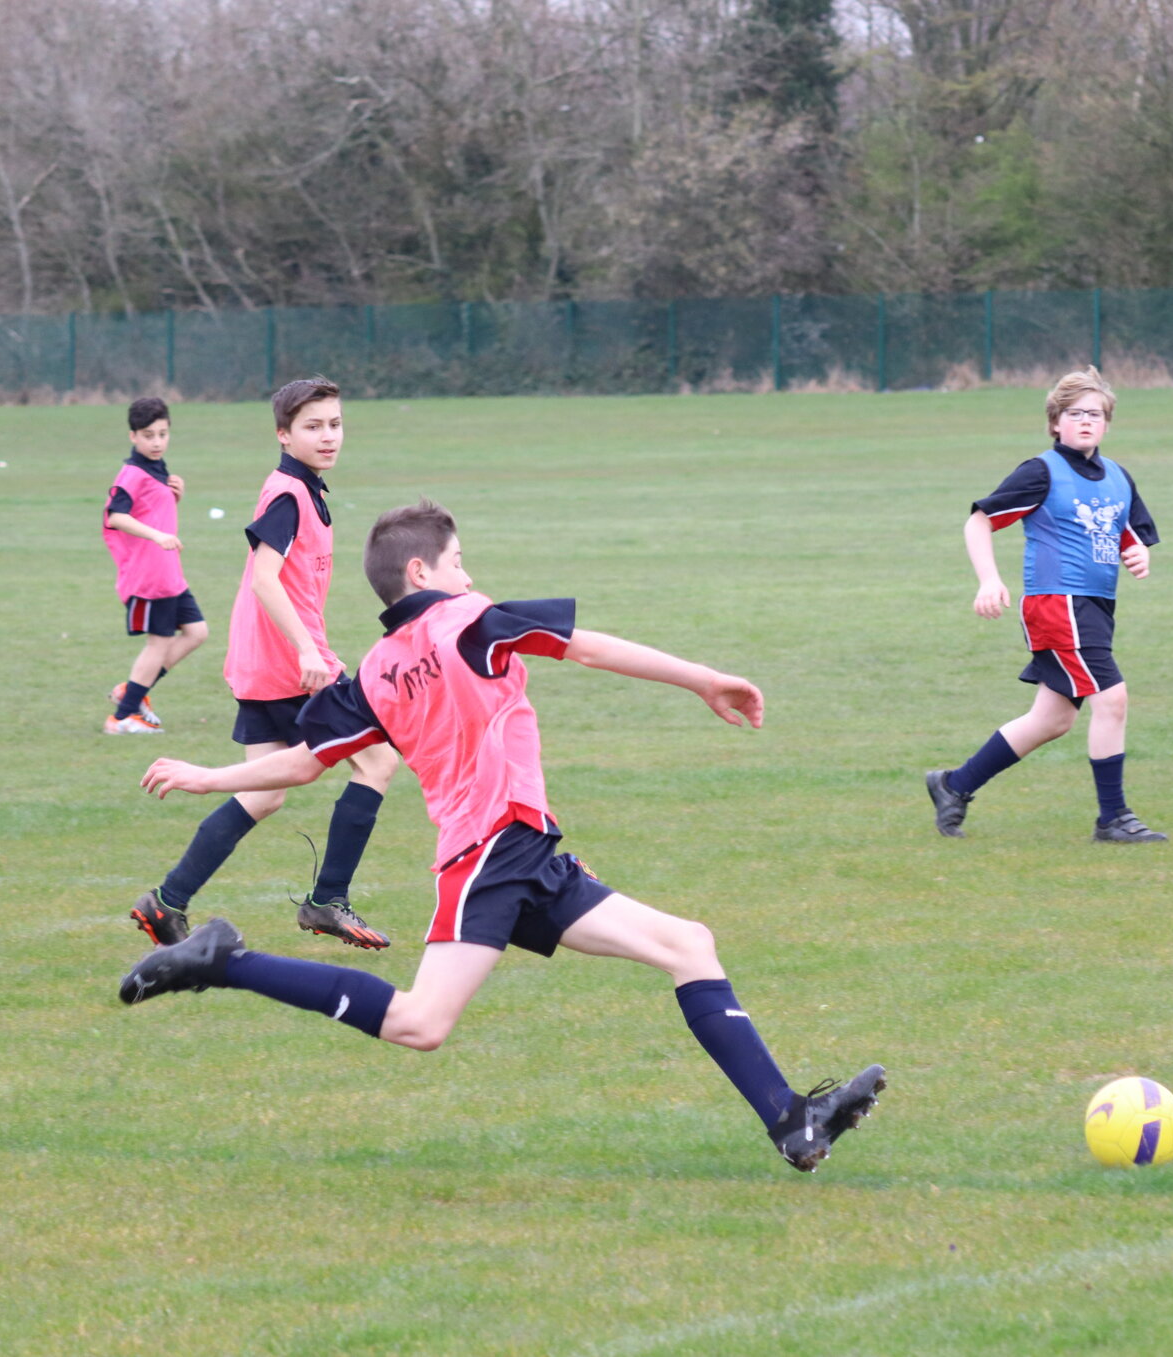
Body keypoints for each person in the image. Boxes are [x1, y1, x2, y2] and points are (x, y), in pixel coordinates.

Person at [122, 499, 886, 1174]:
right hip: (488, 855)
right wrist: (703, 677)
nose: (468, 571)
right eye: (458, 560)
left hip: (524, 849)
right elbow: (586, 645)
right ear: (422, 569)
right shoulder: (471, 621)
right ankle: (227, 962)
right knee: (421, 1022)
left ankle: (794, 1120)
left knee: (689, 943)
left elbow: (301, 761)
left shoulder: (380, 669)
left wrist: (207, 775)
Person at [127, 377, 398, 951]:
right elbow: (265, 578)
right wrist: (306, 649)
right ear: (284, 434)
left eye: (335, 424)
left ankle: (166, 902)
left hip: (265, 659)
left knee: (264, 791)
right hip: (286, 664)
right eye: (313, 426)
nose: (328, 437)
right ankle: (328, 901)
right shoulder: (286, 495)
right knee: (375, 762)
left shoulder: (306, 489)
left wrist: (310, 643)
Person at [924, 367, 1166, 843]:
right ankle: (1112, 818)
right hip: (1057, 604)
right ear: (1055, 422)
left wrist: (1138, 554)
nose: (1085, 422)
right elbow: (978, 521)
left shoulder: (1118, 477)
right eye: (1074, 414)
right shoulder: (1041, 472)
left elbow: (1131, 537)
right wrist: (989, 580)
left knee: (1053, 719)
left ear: (1107, 423)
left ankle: (954, 785)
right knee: (1112, 699)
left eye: (1095, 415)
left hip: (1095, 607)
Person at [102, 397, 206, 733]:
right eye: (149, 435)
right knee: (158, 642)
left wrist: (175, 494)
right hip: (149, 576)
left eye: (163, 434)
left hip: (169, 574)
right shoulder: (132, 473)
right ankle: (122, 717)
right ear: (133, 436)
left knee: (196, 632)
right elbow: (117, 516)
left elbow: (152, 506)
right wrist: (157, 536)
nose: (157, 442)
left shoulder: (156, 469)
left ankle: (132, 691)